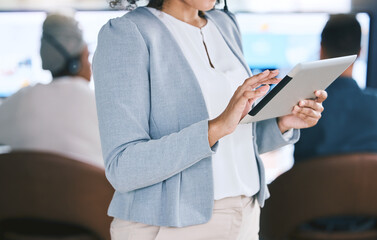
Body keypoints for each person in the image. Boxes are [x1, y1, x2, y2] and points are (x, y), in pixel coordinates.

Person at [93, 0, 326, 239]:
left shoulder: (224, 24)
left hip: (246, 214)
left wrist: (282, 123)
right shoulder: (127, 34)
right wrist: (214, 128)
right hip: (173, 225)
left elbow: (233, 139)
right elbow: (123, 168)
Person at [0, 12, 103, 167]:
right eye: (87, 56)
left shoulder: (21, 101)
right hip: (92, 190)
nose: (90, 66)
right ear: (76, 62)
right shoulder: (101, 107)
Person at [294, 14, 377, 162]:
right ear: (360, 52)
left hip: (312, 185)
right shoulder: (374, 104)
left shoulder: (302, 107)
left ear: (321, 50)